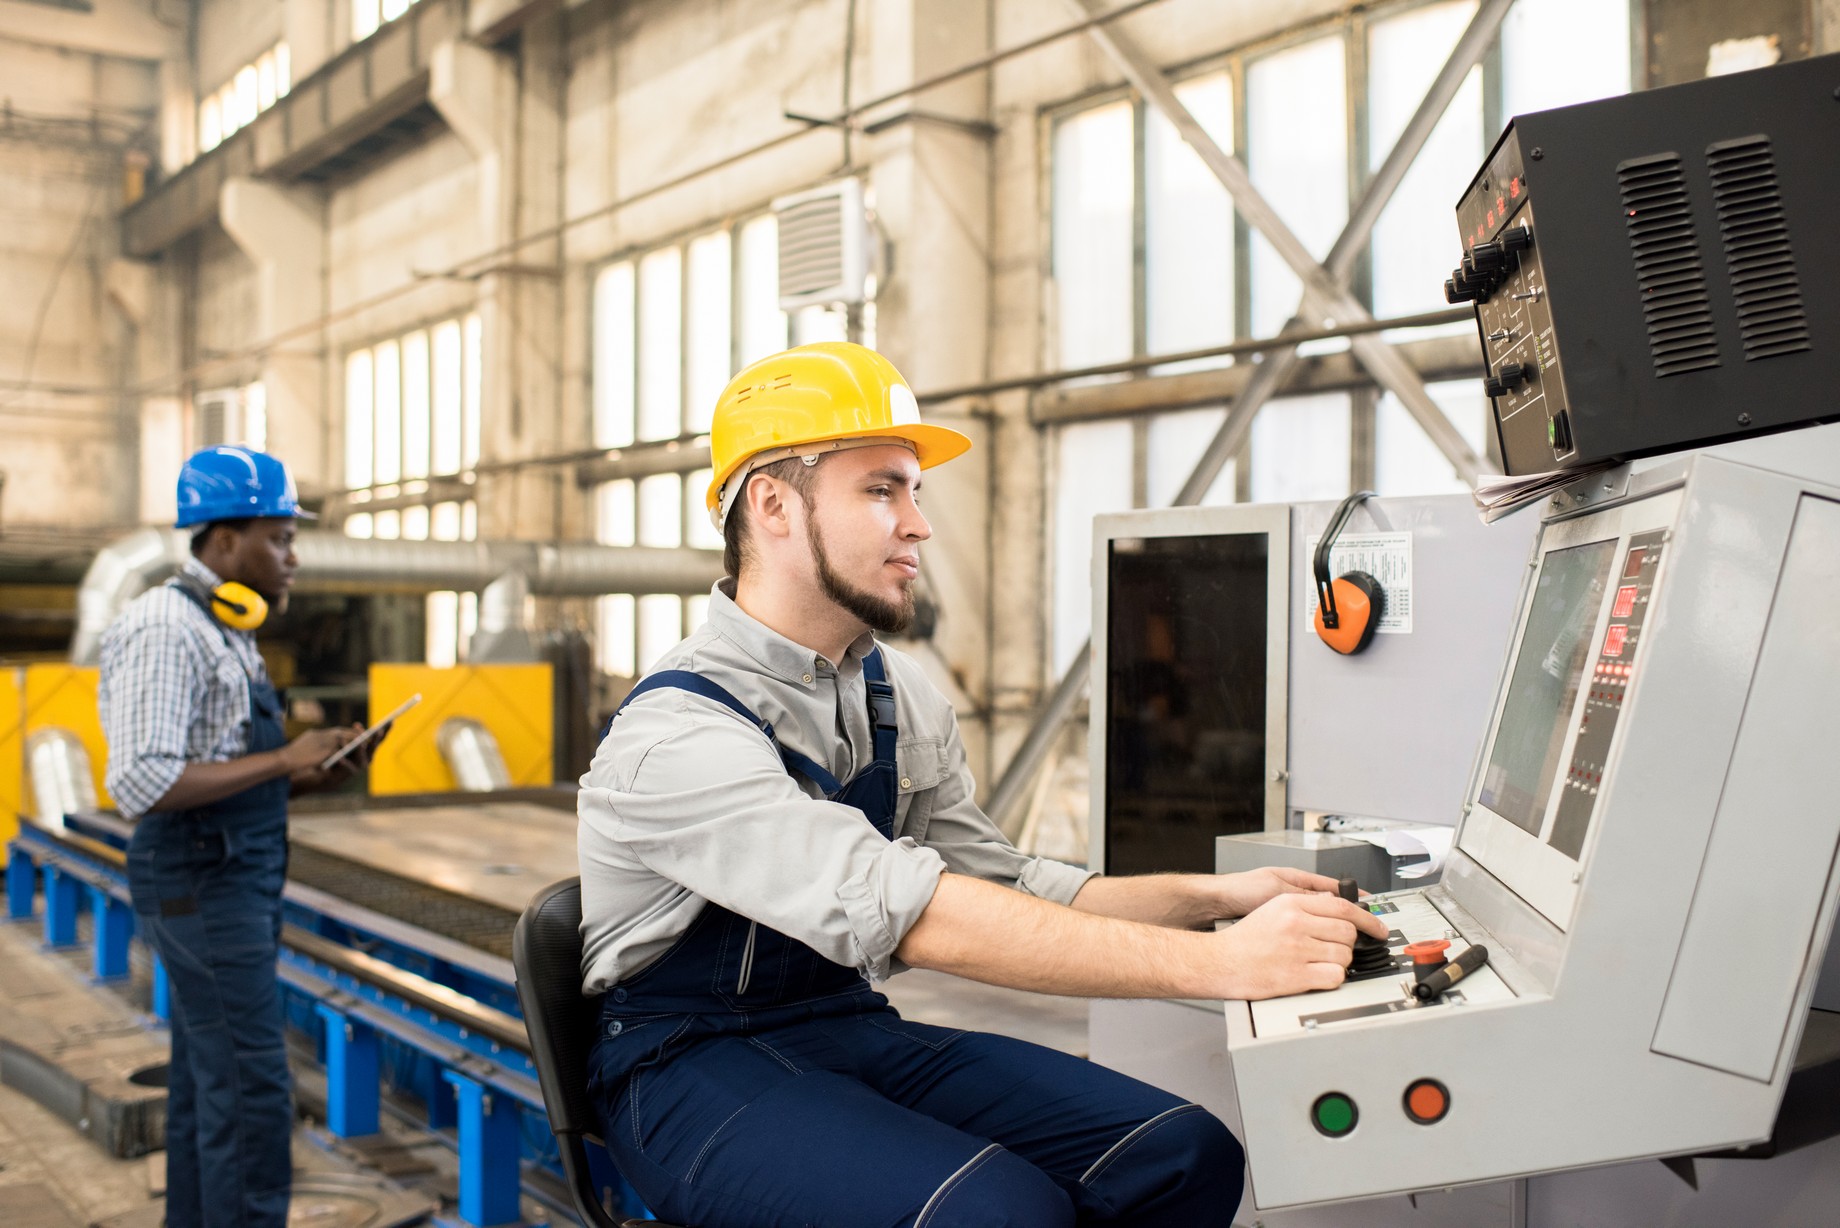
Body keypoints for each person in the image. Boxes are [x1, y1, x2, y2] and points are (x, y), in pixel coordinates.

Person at [577, 342, 1387, 1228]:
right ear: (773, 503)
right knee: (999, 1215)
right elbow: (915, 912)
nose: (919, 524)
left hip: (843, 1022)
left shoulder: (894, 693)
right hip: (684, 1066)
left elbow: (997, 885)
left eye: (915, 493)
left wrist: (1217, 897)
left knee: (1181, 1155)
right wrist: (1225, 964)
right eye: (882, 489)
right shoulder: (677, 732)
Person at [100, 446, 367, 1228]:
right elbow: (143, 779)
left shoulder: (223, 631)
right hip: (202, 881)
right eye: (278, 538)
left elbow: (219, 762)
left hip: (229, 880)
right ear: (222, 542)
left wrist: (309, 773)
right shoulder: (166, 627)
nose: (292, 557)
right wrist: (284, 755)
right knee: (250, 1093)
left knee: (207, 1084)